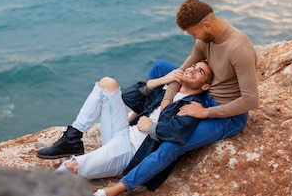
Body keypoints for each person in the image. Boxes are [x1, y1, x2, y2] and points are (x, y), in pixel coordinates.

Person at [94, 0, 259, 196]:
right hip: (204, 92)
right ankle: (134, 123)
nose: (193, 38)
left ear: (206, 25)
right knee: (160, 67)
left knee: (173, 145)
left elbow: (251, 100)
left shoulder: (238, 49)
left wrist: (205, 113)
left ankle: (112, 192)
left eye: (193, 33)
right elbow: (178, 73)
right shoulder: (204, 40)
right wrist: (166, 103)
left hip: (226, 112)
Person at [37, 62, 216, 183]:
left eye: (200, 71)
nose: (192, 69)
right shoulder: (167, 90)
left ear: (205, 86)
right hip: (123, 132)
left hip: (129, 151)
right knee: (107, 84)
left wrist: (150, 127)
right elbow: (129, 97)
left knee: (71, 166)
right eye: (193, 65)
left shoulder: (193, 105)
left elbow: (178, 132)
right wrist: (163, 80)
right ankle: (72, 138)